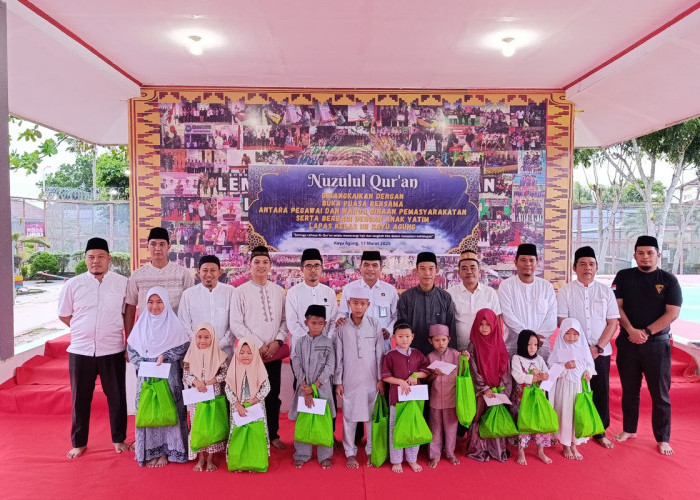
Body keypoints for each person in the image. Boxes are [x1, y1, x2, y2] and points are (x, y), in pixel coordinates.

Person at [57, 237, 130, 459]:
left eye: (100, 257)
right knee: (80, 397)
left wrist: (127, 339)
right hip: (81, 351)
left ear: (109, 259)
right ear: (85, 260)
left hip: (112, 349)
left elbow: (128, 311)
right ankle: (79, 442)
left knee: (117, 396)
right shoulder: (73, 284)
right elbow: (64, 314)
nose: (95, 261)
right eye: (91, 257)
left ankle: (119, 439)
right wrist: (82, 328)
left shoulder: (122, 283)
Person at [612, 235, 682, 456]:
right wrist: (632, 331)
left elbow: (673, 312)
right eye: (640, 253)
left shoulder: (668, 279)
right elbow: (616, 306)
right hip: (628, 342)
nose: (645, 257)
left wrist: (647, 332)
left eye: (649, 253)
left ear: (658, 255)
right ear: (634, 255)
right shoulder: (624, 276)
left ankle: (662, 438)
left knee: (660, 393)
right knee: (629, 390)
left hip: (657, 345)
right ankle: (629, 429)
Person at [557, 246, 620, 448]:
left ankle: (600, 432)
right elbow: (562, 321)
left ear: (597, 267)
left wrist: (598, 348)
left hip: (601, 352)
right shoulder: (566, 291)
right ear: (575, 267)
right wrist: (583, 349)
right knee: (575, 390)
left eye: (591, 264)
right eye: (582, 264)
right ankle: (574, 430)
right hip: (574, 352)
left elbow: (612, 322)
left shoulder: (605, 292)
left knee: (600, 391)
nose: (587, 268)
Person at [230, 245, 288, 451]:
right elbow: (236, 323)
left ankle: (272, 434)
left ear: (270, 266)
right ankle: (252, 435)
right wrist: (258, 344)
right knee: (250, 395)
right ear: (250, 266)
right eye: (257, 262)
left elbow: (284, 321)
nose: (261, 266)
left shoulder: (279, 291)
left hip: (273, 353)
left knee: (273, 395)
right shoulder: (240, 292)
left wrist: (277, 342)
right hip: (250, 354)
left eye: (265, 262)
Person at [127, 287, 190, 467]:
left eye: (159, 302)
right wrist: (144, 362)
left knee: (167, 410)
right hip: (147, 378)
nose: (155, 306)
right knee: (149, 412)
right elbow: (132, 350)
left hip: (169, 377)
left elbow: (182, 346)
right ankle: (150, 451)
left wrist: (166, 355)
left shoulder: (174, 324)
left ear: (166, 303)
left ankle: (168, 451)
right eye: (150, 302)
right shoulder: (141, 325)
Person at [333, 287, 384, 468]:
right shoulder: (341, 326)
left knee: (371, 416)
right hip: (350, 378)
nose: (358, 307)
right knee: (349, 415)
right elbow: (338, 356)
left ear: (368, 305)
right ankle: (350, 452)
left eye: (362, 303)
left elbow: (380, 353)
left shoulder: (375, 324)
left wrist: (380, 379)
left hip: (371, 378)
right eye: (355, 303)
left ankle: (371, 450)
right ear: (348, 303)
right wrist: (338, 381)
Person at [289, 305, 336, 469]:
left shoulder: (328, 343)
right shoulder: (300, 342)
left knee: (324, 421)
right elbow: (296, 362)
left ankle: (325, 455)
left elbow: (330, 367)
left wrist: (314, 387)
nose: (316, 326)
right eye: (313, 322)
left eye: (320, 323)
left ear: (325, 324)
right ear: (306, 323)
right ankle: (302, 453)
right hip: (303, 388)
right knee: (303, 420)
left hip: (322, 389)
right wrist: (304, 386)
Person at [125, 227, 194, 337]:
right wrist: (129, 340)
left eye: (162, 244)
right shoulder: (137, 275)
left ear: (169, 247)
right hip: (146, 335)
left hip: (175, 335)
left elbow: (190, 306)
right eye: (153, 244)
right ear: (147, 246)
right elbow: (130, 307)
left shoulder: (182, 274)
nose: (157, 248)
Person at [381, 323, 430, 474]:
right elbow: (386, 377)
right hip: (397, 399)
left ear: (412, 337)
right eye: (400, 336)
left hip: (415, 399)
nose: (404, 339)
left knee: (413, 428)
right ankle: (396, 460)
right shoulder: (390, 355)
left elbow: (426, 370)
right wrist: (400, 381)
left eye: (407, 336)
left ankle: (412, 459)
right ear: (394, 337)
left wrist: (416, 375)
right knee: (396, 428)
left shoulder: (417, 354)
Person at [465, 308, 512, 463]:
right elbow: (472, 368)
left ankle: (497, 449)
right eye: (481, 324)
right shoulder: (473, 345)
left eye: (488, 325)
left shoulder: (499, 344)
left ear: (494, 326)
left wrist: (499, 388)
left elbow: (505, 368)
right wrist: (484, 388)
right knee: (479, 417)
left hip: (497, 390)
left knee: (495, 417)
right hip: (481, 391)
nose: (484, 328)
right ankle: (478, 450)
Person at [182, 322, 229, 471]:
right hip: (196, 398)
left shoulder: (219, 356)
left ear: (213, 338)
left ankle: (210, 458)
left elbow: (225, 374)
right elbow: (186, 374)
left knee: (211, 427)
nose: (202, 341)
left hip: (212, 395)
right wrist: (195, 382)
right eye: (199, 337)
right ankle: (200, 457)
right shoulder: (190, 355)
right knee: (198, 427)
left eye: (206, 337)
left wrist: (212, 381)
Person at [498, 243, 557, 359]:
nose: (527, 264)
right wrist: (529, 338)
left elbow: (552, 316)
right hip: (514, 346)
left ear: (537, 263)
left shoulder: (546, 287)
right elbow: (507, 316)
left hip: (541, 347)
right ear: (516, 262)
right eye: (523, 260)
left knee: (541, 376)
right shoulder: (506, 286)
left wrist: (537, 340)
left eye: (531, 260)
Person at [548, 318, 595, 460]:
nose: (572, 337)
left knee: (577, 414)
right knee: (566, 413)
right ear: (562, 333)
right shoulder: (558, 349)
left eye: (575, 334)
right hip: (565, 387)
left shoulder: (583, 348)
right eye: (568, 333)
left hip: (579, 386)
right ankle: (566, 445)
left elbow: (589, 365)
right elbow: (552, 369)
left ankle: (575, 443)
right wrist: (564, 367)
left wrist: (588, 372)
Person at [337, 250, 398, 353]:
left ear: (381, 268)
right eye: (366, 265)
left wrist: (389, 330)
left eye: (375, 265)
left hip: (382, 343)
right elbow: (342, 313)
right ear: (360, 267)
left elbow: (397, 315)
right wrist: (340, 320)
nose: (370, 269)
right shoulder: (349, 288)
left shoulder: (390, 290)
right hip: (355, 344)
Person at [397, 251, 457, 355]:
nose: (427, 273)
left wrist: (451, 355)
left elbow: (451, 328)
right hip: (413, 355)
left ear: (436, 271)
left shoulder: (445, 297)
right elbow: (401, 329)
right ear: (416, 271)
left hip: (440, 355)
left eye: (431, 268)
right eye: (422, 268)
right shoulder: (406, 297)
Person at [225, 337, 271, 468]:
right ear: (237, 352)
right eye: (242, 352)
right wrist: (237, 404)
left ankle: (255, 461)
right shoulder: (233, 368)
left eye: (250, 352)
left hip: (256, 406)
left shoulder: (259, 368)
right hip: (237, 407)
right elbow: (228, 388)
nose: (245, 355)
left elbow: (266, 387)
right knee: (238, 432)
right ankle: (238, 462)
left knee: (255, 432)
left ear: (255, 353)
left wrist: (256, 399)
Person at [426, 324, 467, 468]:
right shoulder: (430, 357)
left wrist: (466, 358)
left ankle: (450, 453)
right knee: (435, 428)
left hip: (452, 399)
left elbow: (463, 373)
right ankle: (435, 455)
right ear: (430, 341)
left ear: (449, 339)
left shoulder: (456, 355)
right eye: (436, 340)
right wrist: (434, 374)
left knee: (451, 428)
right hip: (436, 400)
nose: (441, 343)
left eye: (443, 339)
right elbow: (427, 380)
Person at [178, 255, 236, 359]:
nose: (209, 274)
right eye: (205, 270)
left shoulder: (231, 292)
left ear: (220, 272)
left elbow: (235, 323)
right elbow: (184, 324)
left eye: (213, 270)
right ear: (198, 272)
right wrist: (200, 343)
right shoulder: (188, 294)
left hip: (224, 352)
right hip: (197, 351)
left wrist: (219, 344)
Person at [286, 248, 338, 357]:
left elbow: (333, 321)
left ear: (321, 268)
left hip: (324, 351)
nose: (313, 270)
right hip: (300, 352)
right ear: (302, 269)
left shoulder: (329, 293)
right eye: (308, 266)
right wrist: (309, 341)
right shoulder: (293, 293)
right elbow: (292, 323)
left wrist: (326, 341)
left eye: (316, 266)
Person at [511, 329, 553, 465]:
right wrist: (535, 376)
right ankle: (521, 450)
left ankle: (540, 451)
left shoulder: (539, 359)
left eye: (535, 345)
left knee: (539, 421)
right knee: (524, 423)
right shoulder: (516, 358)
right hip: (522, 399)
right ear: (522, 344)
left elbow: (546, 375)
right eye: (529, 344)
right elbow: (518, 376)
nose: (532, 348)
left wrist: (543, 375)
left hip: (538, 398)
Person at [447, 251, 501, 351]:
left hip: (485, 349)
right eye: (464, 268)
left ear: (479, 271)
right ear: (459, 272)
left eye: (473, 268)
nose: (469, 271)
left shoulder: (490, 293)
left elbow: (496, 322)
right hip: (459, 349)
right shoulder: (450, 294)